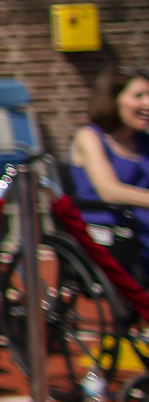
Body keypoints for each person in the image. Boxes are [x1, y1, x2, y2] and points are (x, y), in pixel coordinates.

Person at [68, 67, 149, 282]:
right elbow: (109, 190)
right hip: (108, 225)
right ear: (113, 99)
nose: (147, 104)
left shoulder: (143, 142)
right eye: (139, 96)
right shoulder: (89, 136)